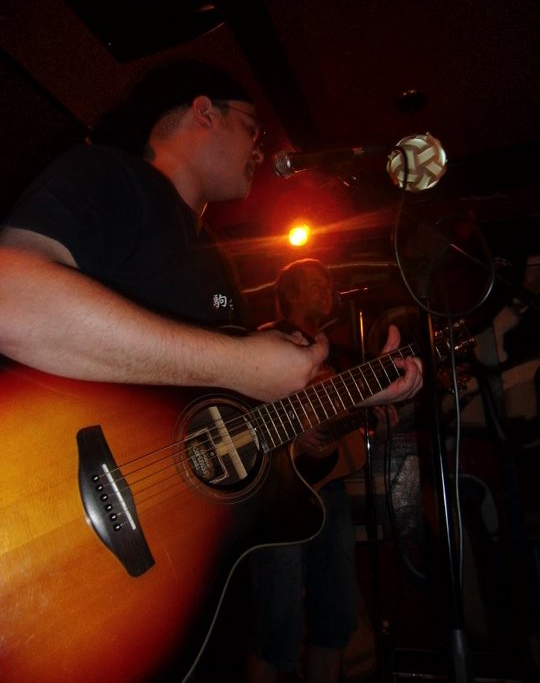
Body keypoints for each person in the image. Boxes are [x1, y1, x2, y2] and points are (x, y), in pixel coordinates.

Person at [0, 61, 422, 680]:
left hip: (185, 604)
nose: (261, 149)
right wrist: (238, 361)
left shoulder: (220, 261)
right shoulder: (108, 175)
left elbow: (251, 436)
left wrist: (334, 412)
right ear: (204, 111)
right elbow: (9, 298)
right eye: (253, 127)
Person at [247, 259, 415, 683]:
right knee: (276, 624)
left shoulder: (336, 357)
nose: (327, 290)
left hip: (330, 491)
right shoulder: (265, 341)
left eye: (327, 283)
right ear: (288, 294)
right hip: (279, 496)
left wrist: (374, 420)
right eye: (315, 284)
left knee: (335, 618)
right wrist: (296, 432)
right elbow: (247, 416)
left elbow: (342, 434)